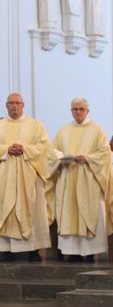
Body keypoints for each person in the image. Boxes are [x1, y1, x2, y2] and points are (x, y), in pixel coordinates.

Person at [50, 98, 110, 263]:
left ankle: (89, 252)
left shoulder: (97, 130)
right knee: (69, 213)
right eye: (75, 109)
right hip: (68, 178)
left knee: (87, 213)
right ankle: (73, 252)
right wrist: (61, 159)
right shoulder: (63, 131)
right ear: (71, 111)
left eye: (81, 109)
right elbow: (52, 152)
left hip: (88, 179)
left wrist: (88, 158)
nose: (78, 112)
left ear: (87, 111)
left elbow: (105, 154)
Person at [0, 93, 51, 262]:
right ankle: (5, 249)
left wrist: (24, 149)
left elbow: (43, 146)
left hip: (29, 175)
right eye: (11, 103)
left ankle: (33, 250)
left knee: (33, 210)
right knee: (4, 209)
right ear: (6, 106)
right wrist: (7, 149)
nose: (14, 106)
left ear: (23, 105)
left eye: (17, 103)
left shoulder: (35, 125)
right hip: (5, 177)